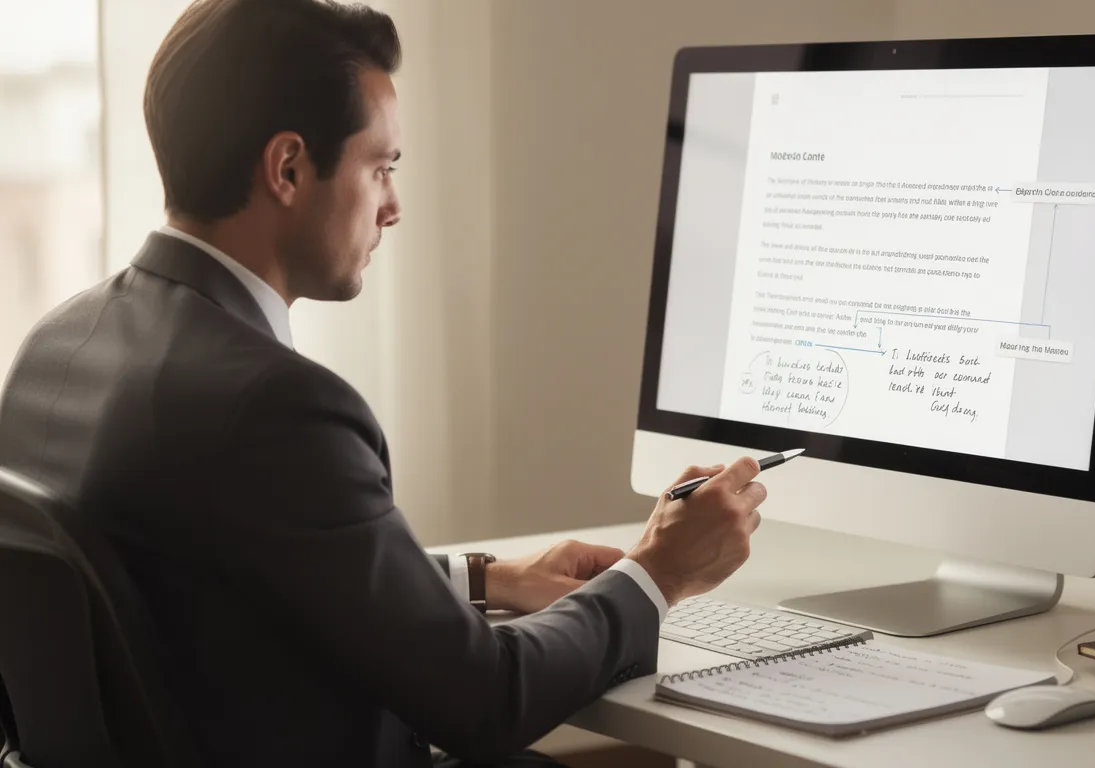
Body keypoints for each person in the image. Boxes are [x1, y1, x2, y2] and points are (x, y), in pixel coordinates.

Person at [0, 1, 767, 766]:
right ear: (289, 168)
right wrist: (656, 573)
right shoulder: (276, 409)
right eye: (381, 167)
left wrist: (487, 578)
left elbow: (224, 571)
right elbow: (487, 699)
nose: (393, 207)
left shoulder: (57, 346)